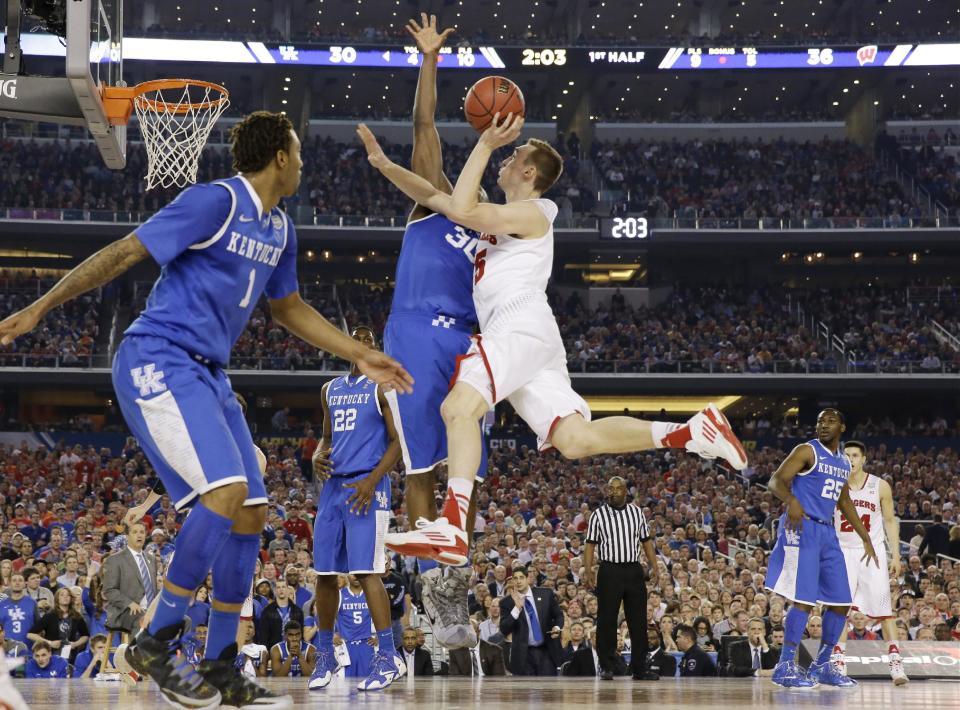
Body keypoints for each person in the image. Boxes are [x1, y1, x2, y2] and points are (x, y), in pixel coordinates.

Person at [0, 110, 411, 710]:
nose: (302, 163)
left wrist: (359, 352)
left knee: (251, 509)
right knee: (225, 491)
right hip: (157, 357)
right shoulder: (215, 202)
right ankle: (155, 639)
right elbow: (123, 252)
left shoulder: (280, 228)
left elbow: (289, 308)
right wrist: (40, 309)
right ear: (279, 157)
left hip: (210, 374)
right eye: (297, 153)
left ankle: (220, 667)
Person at [363, 111, 747, 569]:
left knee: (456, 409)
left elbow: (462, 205)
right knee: (575, 439)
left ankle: (452, 525)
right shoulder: (506, 217)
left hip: (515, 324)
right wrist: (385, 165)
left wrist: (484, 144)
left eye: (514, 155)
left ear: (528, 173)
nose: (506, 158)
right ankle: (689, 430)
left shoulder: (534, 210)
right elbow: (435, 196)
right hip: (531, 333)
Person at [363, 13, 486, 650]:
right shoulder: (432, 198)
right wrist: (431, 61)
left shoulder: (497, 229)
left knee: (463, 470)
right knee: (418, 467)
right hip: (414, 332)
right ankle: (433, 593)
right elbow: (424, 127)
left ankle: (454, 589)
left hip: (466, 341)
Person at [308, 326, 403, 692]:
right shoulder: (329, 390)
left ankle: (387, 657)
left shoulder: (382, 387)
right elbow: (327, 437)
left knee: (367, 572)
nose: (363, 343)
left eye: (370, 339)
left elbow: (398, 443)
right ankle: (327, 657)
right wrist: (318, 452)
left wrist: (372, 479)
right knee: (324, 574)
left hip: (369, 484)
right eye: (357, 338)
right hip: (334, 488)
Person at [764, 409, 878, 689]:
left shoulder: (841, 461)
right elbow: (775, 481)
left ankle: (823, 665)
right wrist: (790, 499)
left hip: (827, 531)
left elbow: (845, 502)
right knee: (804, 600)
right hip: (802, 528)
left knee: (841, 601)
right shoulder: (807, 450)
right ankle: (785, 666)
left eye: (830, 421)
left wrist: (866, 537)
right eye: (819, 421)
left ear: (842, 427)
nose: (823, 425)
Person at [832, 440, 909, 685]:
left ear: (864, 459)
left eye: (855, 455)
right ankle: (837, 662)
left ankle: (896, 664)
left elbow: (889, 521)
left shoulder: (879, 485)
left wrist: (895, 555)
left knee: (885, 611)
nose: (851, 459)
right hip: (843, 552)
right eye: (847, 455)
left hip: (872, 553)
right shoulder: (833, 484)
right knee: (839, 610)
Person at [584, 476, 660, 680]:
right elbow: (590, 544)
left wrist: (655, 566)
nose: (613, 492)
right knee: (606, 620)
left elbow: (646, 542)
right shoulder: (598, 515)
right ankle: (607, 666)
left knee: (638, 620)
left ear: (625, 491)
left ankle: (639, 667)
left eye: (617, 489)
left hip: (633, 570)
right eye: (610, 488)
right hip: (609, 570)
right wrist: (589, 570)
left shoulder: (636, 513)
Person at [499, 567, 563, 676]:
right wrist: (517, 608)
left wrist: (557, 627)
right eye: (515, 578)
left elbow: (558, 615)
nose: (518, 581)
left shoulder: (546, 594)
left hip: (546, 650)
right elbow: (504, 629)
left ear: (528, 579)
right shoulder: (507, 602)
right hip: (523, 655)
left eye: (521, 577)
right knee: (525, 691)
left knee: (549, 690)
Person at [101, 523, 158, 635]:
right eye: (135, 532)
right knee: (143, 619)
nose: (139, 535)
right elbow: (109, 591)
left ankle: (173, 652)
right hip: (124, 611)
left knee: (184, 620)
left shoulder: (151, 559)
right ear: (127, 536)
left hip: (150, 609)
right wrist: (129, 603)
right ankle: (136, 652)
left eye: (142, 532)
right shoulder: (115, 560)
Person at [27, 586, 89, 663]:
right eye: (62, 595)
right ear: (57, 599)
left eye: (68, 595)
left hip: (71, 656)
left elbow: (85, 635)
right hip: (51, 656)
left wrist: (76, 644)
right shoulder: (50, 615)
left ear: (71, 598)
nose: (65, 597)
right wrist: (49, 643)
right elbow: (30, 634)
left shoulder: (77, 616)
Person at [258, 580, 304, 651]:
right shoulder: (267, 611)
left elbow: (301, 635)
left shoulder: (297, 611)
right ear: (275, 590)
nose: (281, 590)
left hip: (294, 650)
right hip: (274, 650)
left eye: (283, 587)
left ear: (288, 590)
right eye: (278, 587)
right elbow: (263, 636)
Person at [0, 573, 37, 649]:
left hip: (29, 649)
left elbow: (39, 627)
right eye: (14, 580)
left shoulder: (32, 603)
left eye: (20, 580)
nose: (17, 583)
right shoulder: (2, 604)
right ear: (10, 583)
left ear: (25, 584)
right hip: (7, 651)